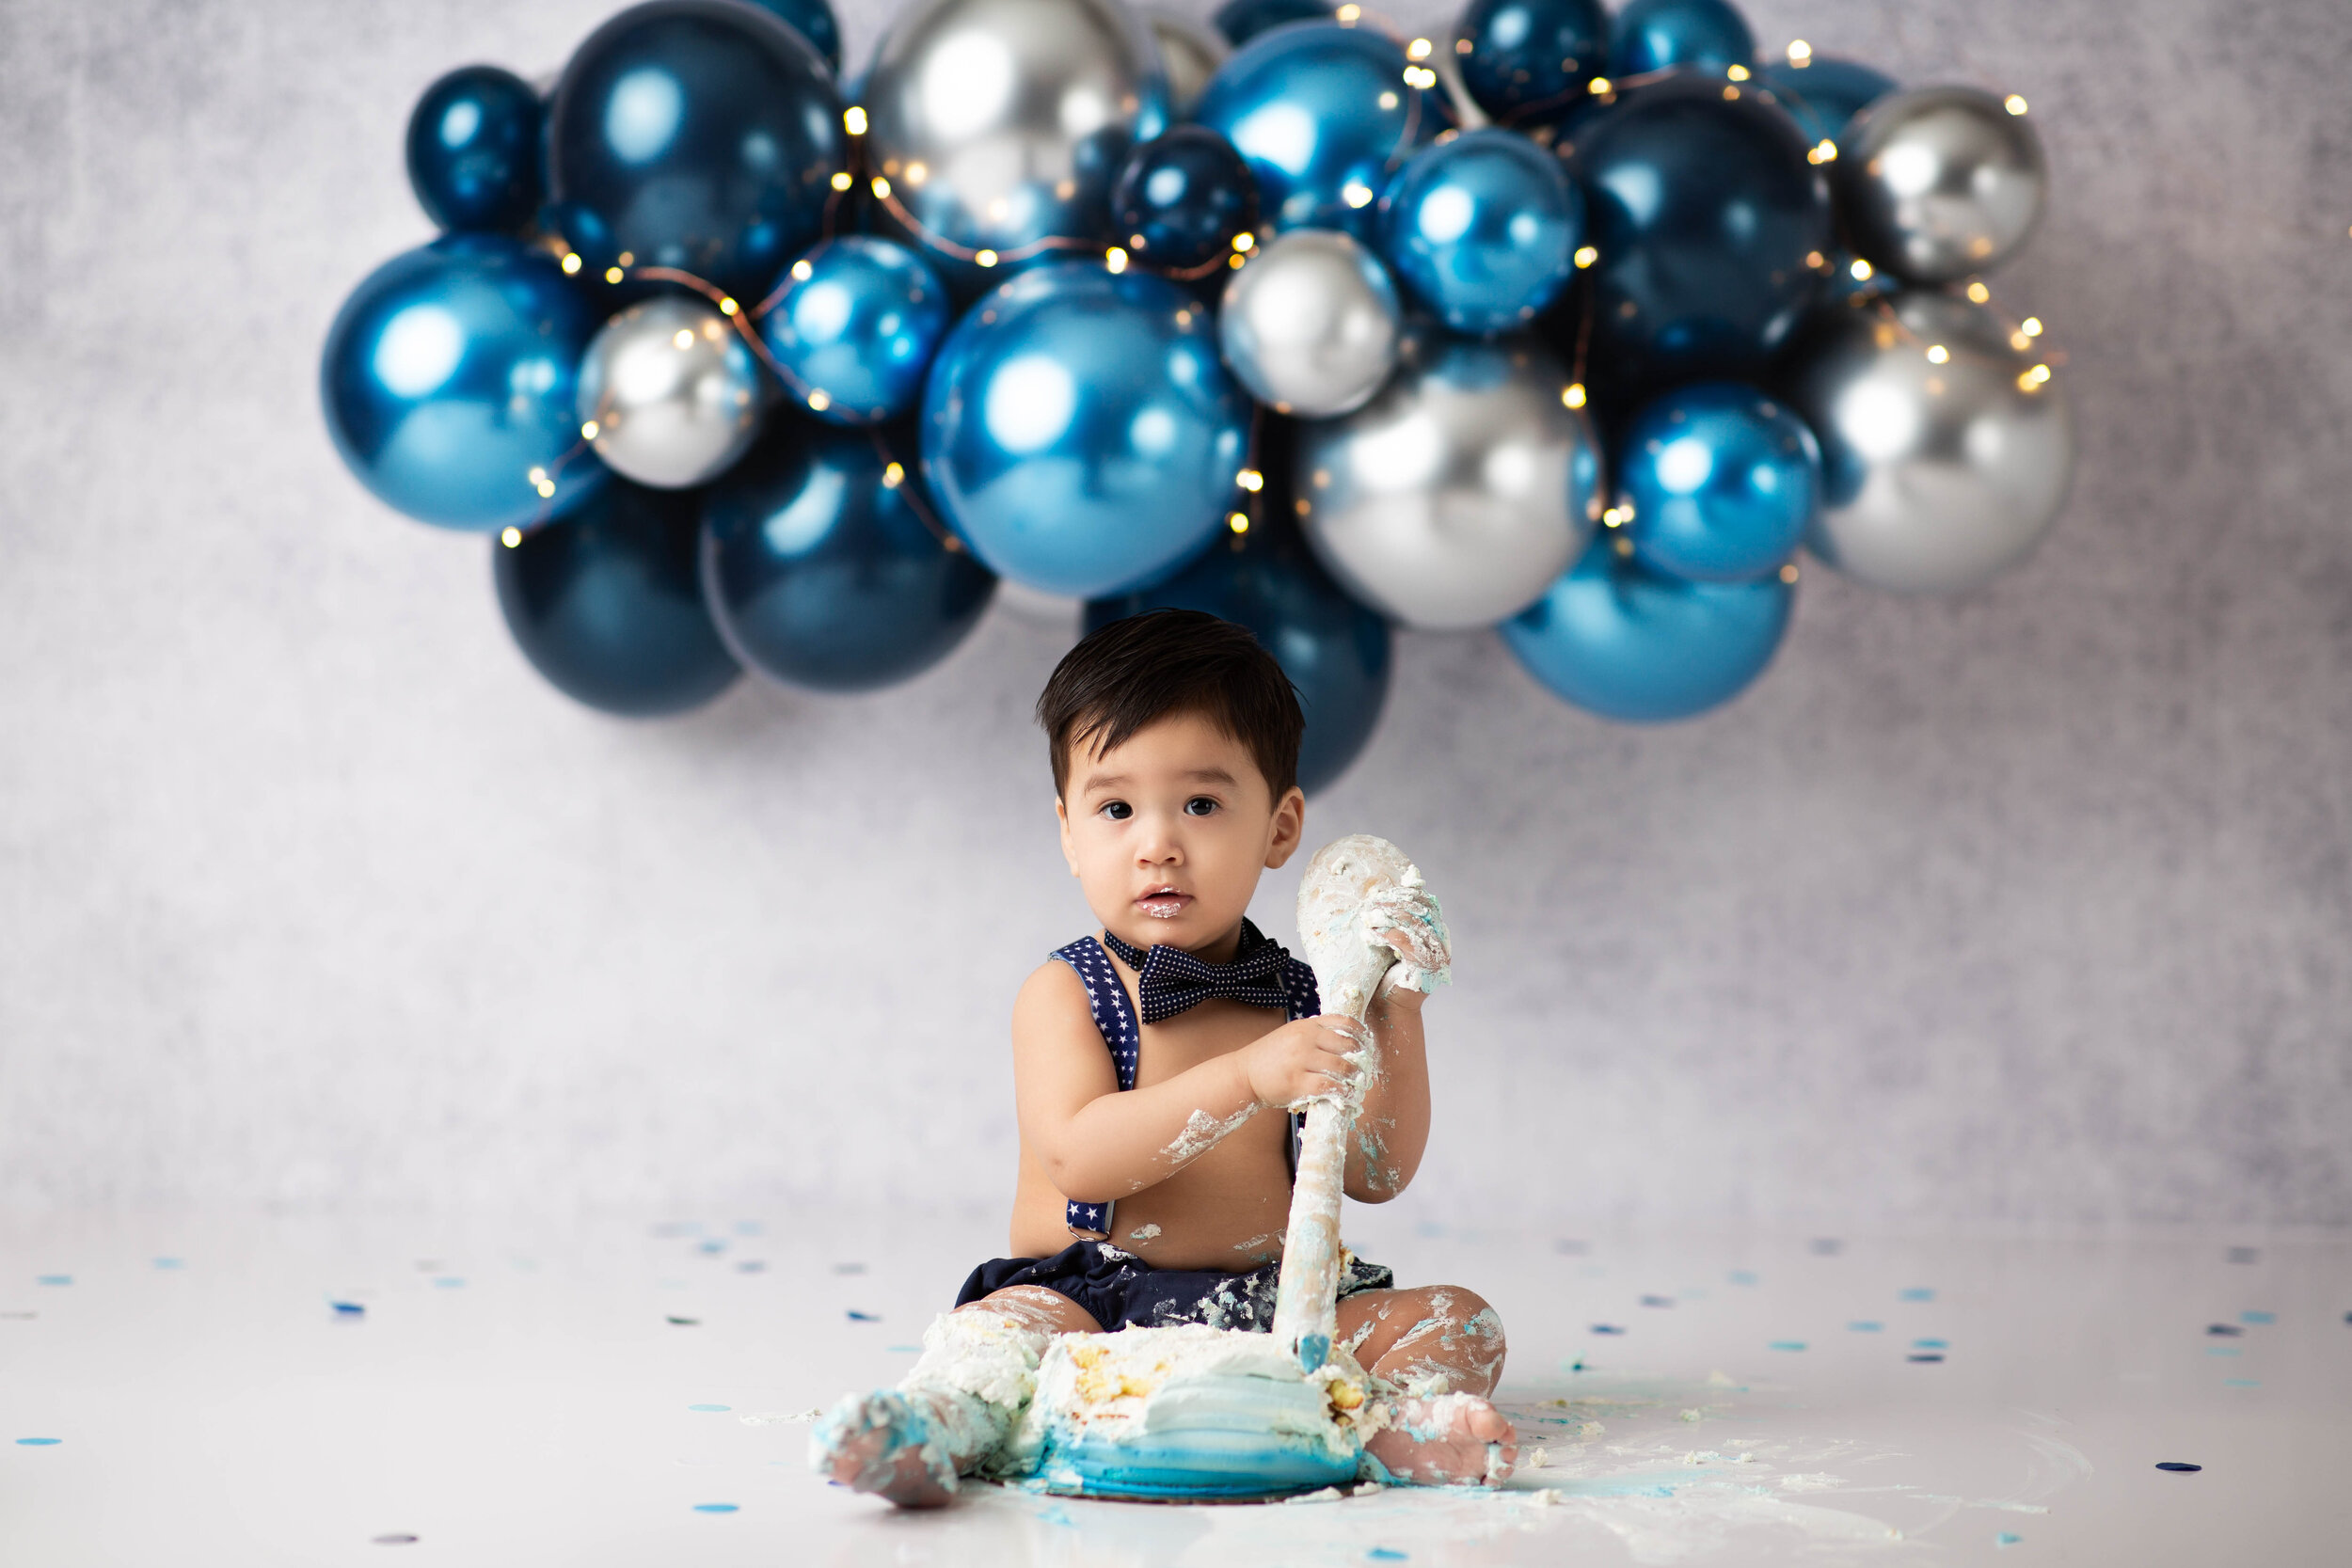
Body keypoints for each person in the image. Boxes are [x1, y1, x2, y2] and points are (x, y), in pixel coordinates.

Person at [812, 610, 1517, 1505]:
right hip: (1094, 1305)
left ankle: (1375, 1425)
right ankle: (944, 1425)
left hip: (1273, 1311)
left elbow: (1374, 1171)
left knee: (1460, 1324)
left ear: (1280, 826)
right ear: (1069, 831)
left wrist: (1395, 1010)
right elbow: (1081, 1152)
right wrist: (1247, 1078)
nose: (1159, 843)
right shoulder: (1069, 993)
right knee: (999, 1334)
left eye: (1202, 804)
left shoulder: (1305, 994)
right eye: (1116, 808)